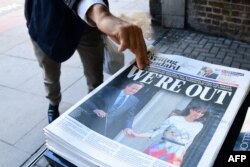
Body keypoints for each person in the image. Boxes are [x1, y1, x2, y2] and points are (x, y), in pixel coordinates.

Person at [24, 0, 149, 123]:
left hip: (85, 25)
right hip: (45, 19)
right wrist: (99, 13)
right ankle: (53, 103)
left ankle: (95, 102)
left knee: (95, 72)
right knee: (50, 73)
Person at [129, 101, 209, 166]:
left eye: (202, 113)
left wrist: (183, 151)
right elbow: (157, 131)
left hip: (178, 151)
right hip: (161, 146)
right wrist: (137, 135)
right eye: (198, 111)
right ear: (191, 109)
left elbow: (191, 139)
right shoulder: (174, 119)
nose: (199, 114)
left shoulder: (199, 126)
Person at [70, 82, 144, 138]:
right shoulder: (109, 90)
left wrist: (128, 127)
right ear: (127, 86)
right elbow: (88, 99)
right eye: (133, 88)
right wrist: (95, 109)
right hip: (87, 118)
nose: (134, 91)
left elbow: (129, 116)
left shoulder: (134, 100)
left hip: (102, 127)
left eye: (137, 90)